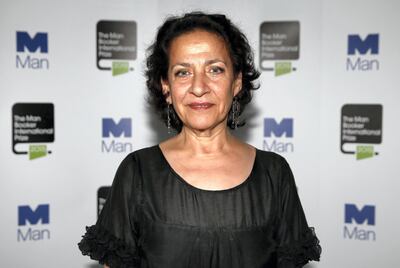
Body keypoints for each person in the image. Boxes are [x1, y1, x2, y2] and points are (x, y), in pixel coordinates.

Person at [78, 12, 321, 268]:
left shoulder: (274, 173)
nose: (198, 87)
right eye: (183, 73)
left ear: (237, 82)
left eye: (215, 69)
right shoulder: (137, 171)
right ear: (166, 87)